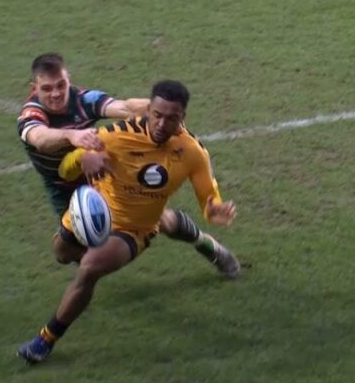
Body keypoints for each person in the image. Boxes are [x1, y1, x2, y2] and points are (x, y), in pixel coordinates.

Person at [18, 80, 238, 364]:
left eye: (171, 118)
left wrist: (214, 210)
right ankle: (196, 237)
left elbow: (209, 197)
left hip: (134, 229)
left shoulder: (193, 153)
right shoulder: (116, 136)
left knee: (89, 269)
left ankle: (45, 340)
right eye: (156, 115)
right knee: (62, 253)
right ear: (148, 110)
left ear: (182, 117)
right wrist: (83, 160)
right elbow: (65, 165)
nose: (161, 124)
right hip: (96, 212)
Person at [17, 53, 240, 277]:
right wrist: (71, 136)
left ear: (69, 79)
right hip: (63, 186)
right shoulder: (31, 113)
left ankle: (208, 246)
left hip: (101, 176)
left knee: (143, 224)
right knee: (65, 253)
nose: (56, 93)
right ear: (34, 87)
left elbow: (124, 107)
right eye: (46, 88)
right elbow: (39, 138)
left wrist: (160, 109)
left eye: (61, 85)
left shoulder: (84, 100)